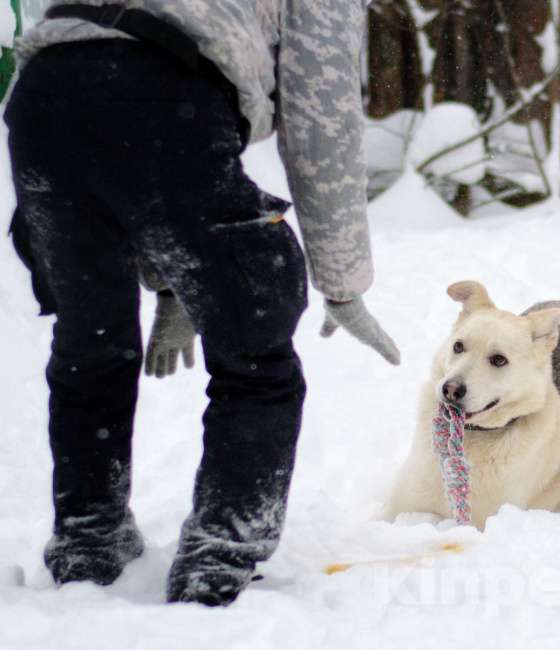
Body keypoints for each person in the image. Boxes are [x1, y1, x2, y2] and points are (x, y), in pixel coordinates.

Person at [5, 0, 399, 606]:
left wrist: (173, 281)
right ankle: (220, 555)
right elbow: (321, 116)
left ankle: (88, 541)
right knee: (255, 353)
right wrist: (341, 282)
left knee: (93, 347)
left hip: (46, 101)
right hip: (166, 100)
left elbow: (107, 121)